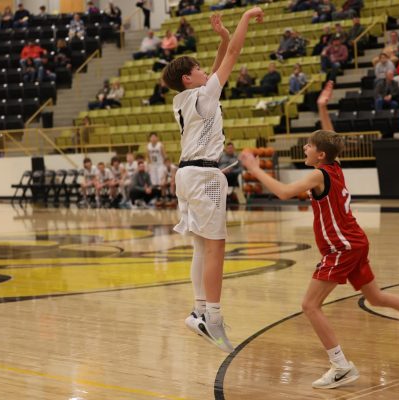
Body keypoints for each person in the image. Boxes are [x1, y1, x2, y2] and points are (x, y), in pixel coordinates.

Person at [238, 81, 399, 389]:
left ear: (319, 155)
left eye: (309, 146)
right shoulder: (335, 166)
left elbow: (285, 193)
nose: (305, 148)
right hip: (354, 241)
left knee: (309, 305)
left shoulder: (318, 174)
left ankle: (341, 366)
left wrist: (254, 167)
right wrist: (321, 107)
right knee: (376, 297)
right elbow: (332, 140)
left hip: (341, 247)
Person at [161, 7, 265, 353]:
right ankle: (212, 318)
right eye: (199, 69)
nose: (207, 70)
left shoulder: (187, 97)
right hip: (202, 174)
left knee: (201, 246)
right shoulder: (204, 96)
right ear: (189, 78)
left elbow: (220, 62)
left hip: (189, 172)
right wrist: (246, 17)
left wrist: (221, 36)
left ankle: (199, 310)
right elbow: (232, 56)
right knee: (215, 245)